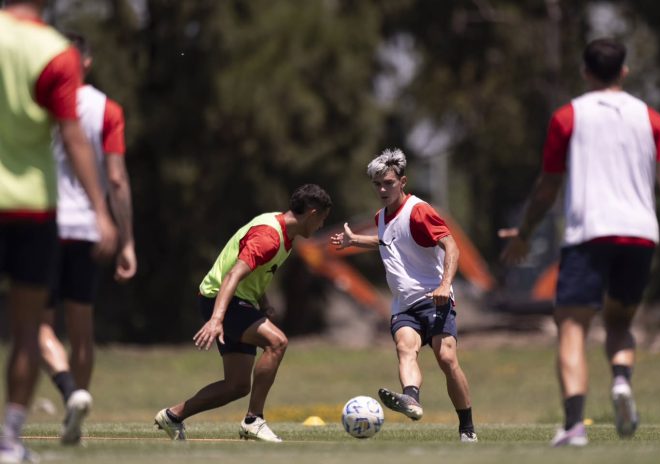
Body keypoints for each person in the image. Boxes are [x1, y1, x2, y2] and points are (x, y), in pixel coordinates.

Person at [499, 38, 660, 447]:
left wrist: (524, 234)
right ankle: (621, 382)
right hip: (640, 236)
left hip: (588, 235)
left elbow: (548, 187)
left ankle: (573, 424)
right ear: (624, 71)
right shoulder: (651, 118)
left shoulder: (569, 116)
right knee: (620, 322)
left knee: (571, 327)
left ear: (585, 72)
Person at [0, 1, 117, 462]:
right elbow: (70, 135)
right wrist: (100, 210)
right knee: (28, 329)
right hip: (31, 205)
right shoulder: (54, 51)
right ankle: (8, 440)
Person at [154, 184, 332, 443]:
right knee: (277, 342)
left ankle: (172, 416)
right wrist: (217, 320)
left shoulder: (285, 234)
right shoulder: (269, 237)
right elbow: (233, 274)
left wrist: (263, 301)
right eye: (322, 219)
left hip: (236, 301)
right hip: (223, 299)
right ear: (312, 213)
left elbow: (256, 273)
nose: (320, 226)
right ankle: (253, 420)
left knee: (236, 386)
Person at [330, 149, 477, 443]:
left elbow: (452, 247)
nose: (382, 189)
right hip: (404, 304)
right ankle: (412, 399)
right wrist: (355, 240)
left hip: (435, 297)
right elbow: (389, 241)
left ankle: (467, 428)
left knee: (446, 358)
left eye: (388, 183)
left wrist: (445, 285)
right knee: (405, 348)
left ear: (402, 181)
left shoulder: (420, 211)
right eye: (377, 184)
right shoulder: (381, 216)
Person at [37, 33, 137, 445]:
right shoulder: (107, 110)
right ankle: (78, 406)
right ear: (89, 62)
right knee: (82, 329)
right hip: (89, 230)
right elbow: (116, 179)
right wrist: (127, 240)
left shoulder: (37, 103)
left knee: (38, 328)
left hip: (42, 224)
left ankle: (69, 391)